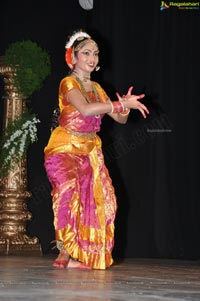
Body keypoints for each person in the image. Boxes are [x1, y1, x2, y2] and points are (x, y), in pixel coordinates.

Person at [44, 30, 149, 270]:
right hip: (64, 147)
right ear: (73, 57)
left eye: (96, 54)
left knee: (104, 201)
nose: (92, 58)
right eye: (86, 53)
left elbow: (119, 119)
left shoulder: (98, 88)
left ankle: (82, 254)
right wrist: (121, 104)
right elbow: (85, 110)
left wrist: (124, 108)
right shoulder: (68, 83)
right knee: (67, 195)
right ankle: (64, 250)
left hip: (90, 150)